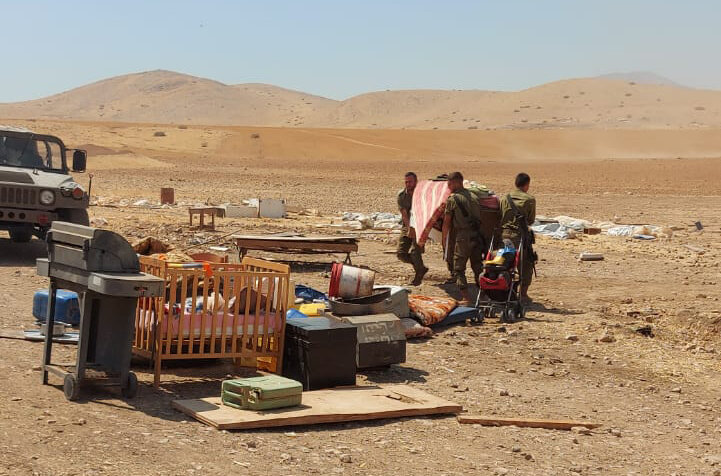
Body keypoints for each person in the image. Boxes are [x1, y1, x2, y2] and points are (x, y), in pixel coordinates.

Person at [442, 171, 484, 303]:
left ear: (457, 183)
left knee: (458, 268)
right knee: (478, 267)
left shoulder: (453, 199)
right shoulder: (474, 196)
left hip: (463, 237)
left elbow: (447, 222)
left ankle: (466, 298)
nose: (448, 186)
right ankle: (483, 295)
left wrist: (444, 240)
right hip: (476, 236)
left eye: (449, 184)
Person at [499, 172, 537, 302]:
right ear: (527, 185)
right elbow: (530, 220)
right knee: (526, 264)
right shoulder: (529, 200)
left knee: (504, 263)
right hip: (519, 236)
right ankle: (523, 294)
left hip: (503, 235)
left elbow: (500, 216)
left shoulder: (505, 198)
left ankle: (502, 290)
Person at [396, 172, 428, 285]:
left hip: (420, 226)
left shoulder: (422, 194)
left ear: (416, 182)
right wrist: (409, 229)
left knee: (415, 253)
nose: (408, 184)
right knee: (401, 254)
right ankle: (421, 268)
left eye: (410, 182)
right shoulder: (401, 196)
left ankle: (418, 277)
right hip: (407, 225)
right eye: (406, 182)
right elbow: (404, 214)